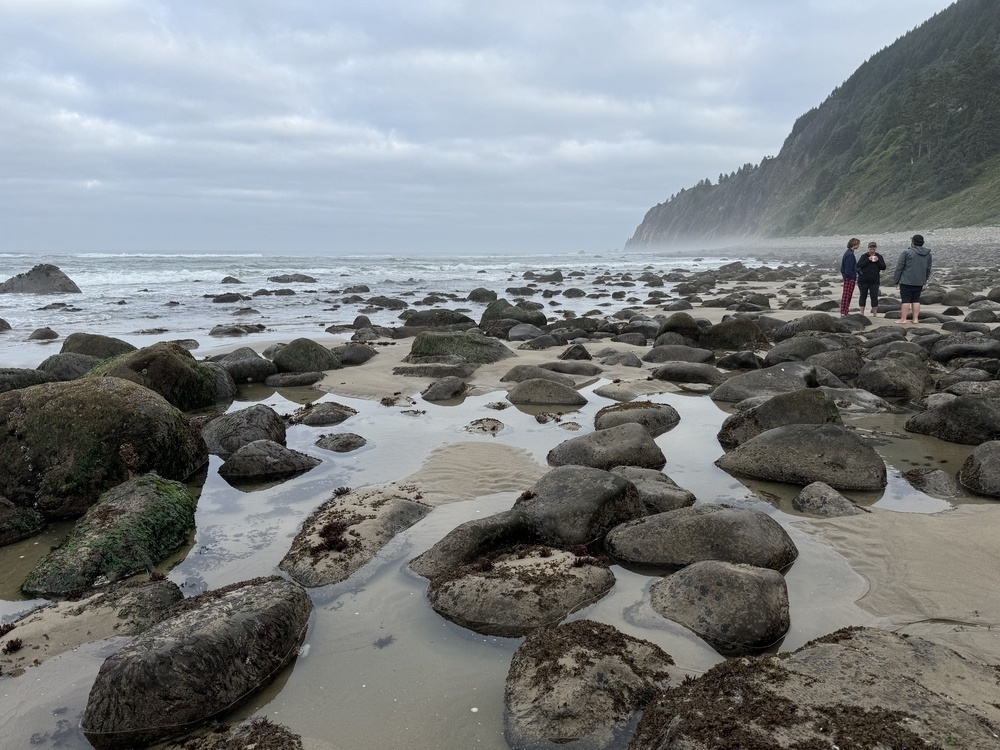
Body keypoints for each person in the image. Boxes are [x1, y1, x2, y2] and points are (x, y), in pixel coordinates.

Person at [892, 234, 933, 324]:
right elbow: (928, 268)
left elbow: (900, 267)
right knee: (916, 300)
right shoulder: (928, 254)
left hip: (906, 280)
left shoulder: (906, 252)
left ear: (913, 242)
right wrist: (925, 279)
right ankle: (915, 319)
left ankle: (903, 319)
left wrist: (896, 280)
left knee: (905, 300)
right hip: (919, 281)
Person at [857, 241, 886, 317]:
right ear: (868, 248)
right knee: (863, 296)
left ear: (876, 248)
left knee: (874, 297)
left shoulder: (879, 256)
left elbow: (883, 267)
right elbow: (859, 265)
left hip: (874, 281)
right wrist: (868, 260)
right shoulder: (864, 256)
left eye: (873, 247)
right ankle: (862, 313)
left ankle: (875, 314)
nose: (872, 249)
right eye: (870, 247)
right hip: (863, 280)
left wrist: (877, 261)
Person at [840, 238, 860, 317]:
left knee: (846, 294)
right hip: (849, 278)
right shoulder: (850, 255)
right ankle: (844, 311)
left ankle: (844, 311)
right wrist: (851, 277)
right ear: (854, 244)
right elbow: (848, 268)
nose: (858, 246)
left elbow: (843, 268)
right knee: (847, 294)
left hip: (848, 277)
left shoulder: (848, 253)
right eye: (858, 244)